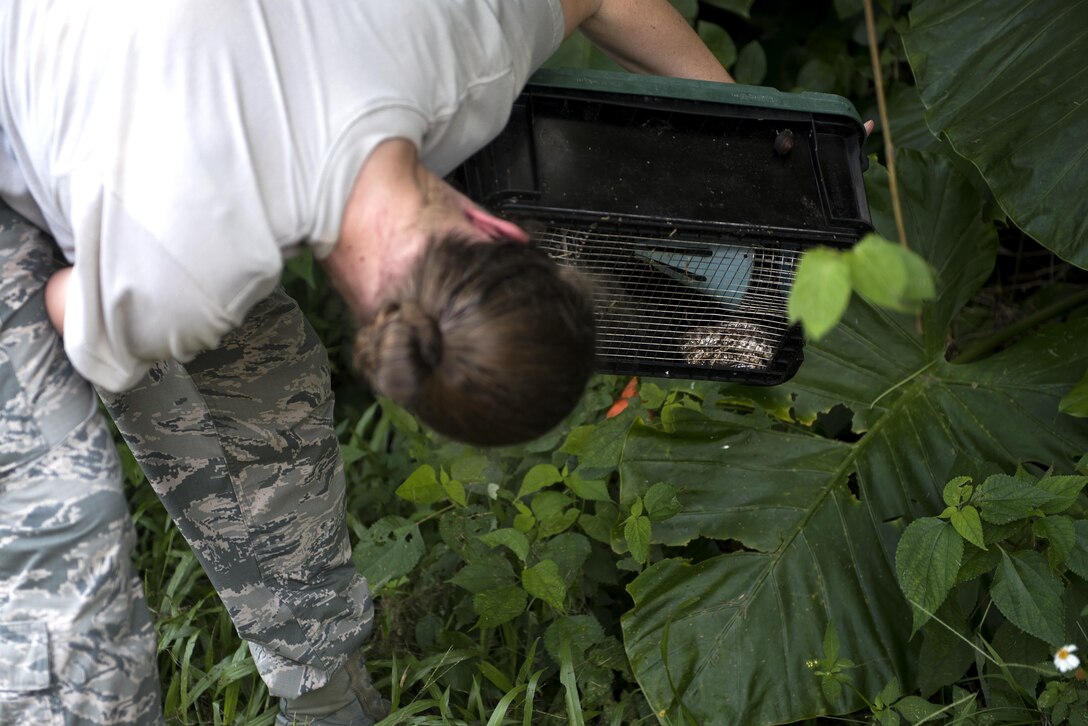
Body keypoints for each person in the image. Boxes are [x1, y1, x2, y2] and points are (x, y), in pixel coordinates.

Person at [0, 0, 733, 723]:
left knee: (260, 371)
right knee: (64, 534)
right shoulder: (181, 272)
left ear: (501, 229)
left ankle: (325, 697)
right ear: (389, 373)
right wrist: (147, 271)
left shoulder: (469, 45)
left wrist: (752, 130)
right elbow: (63, 303)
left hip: (158, 146)